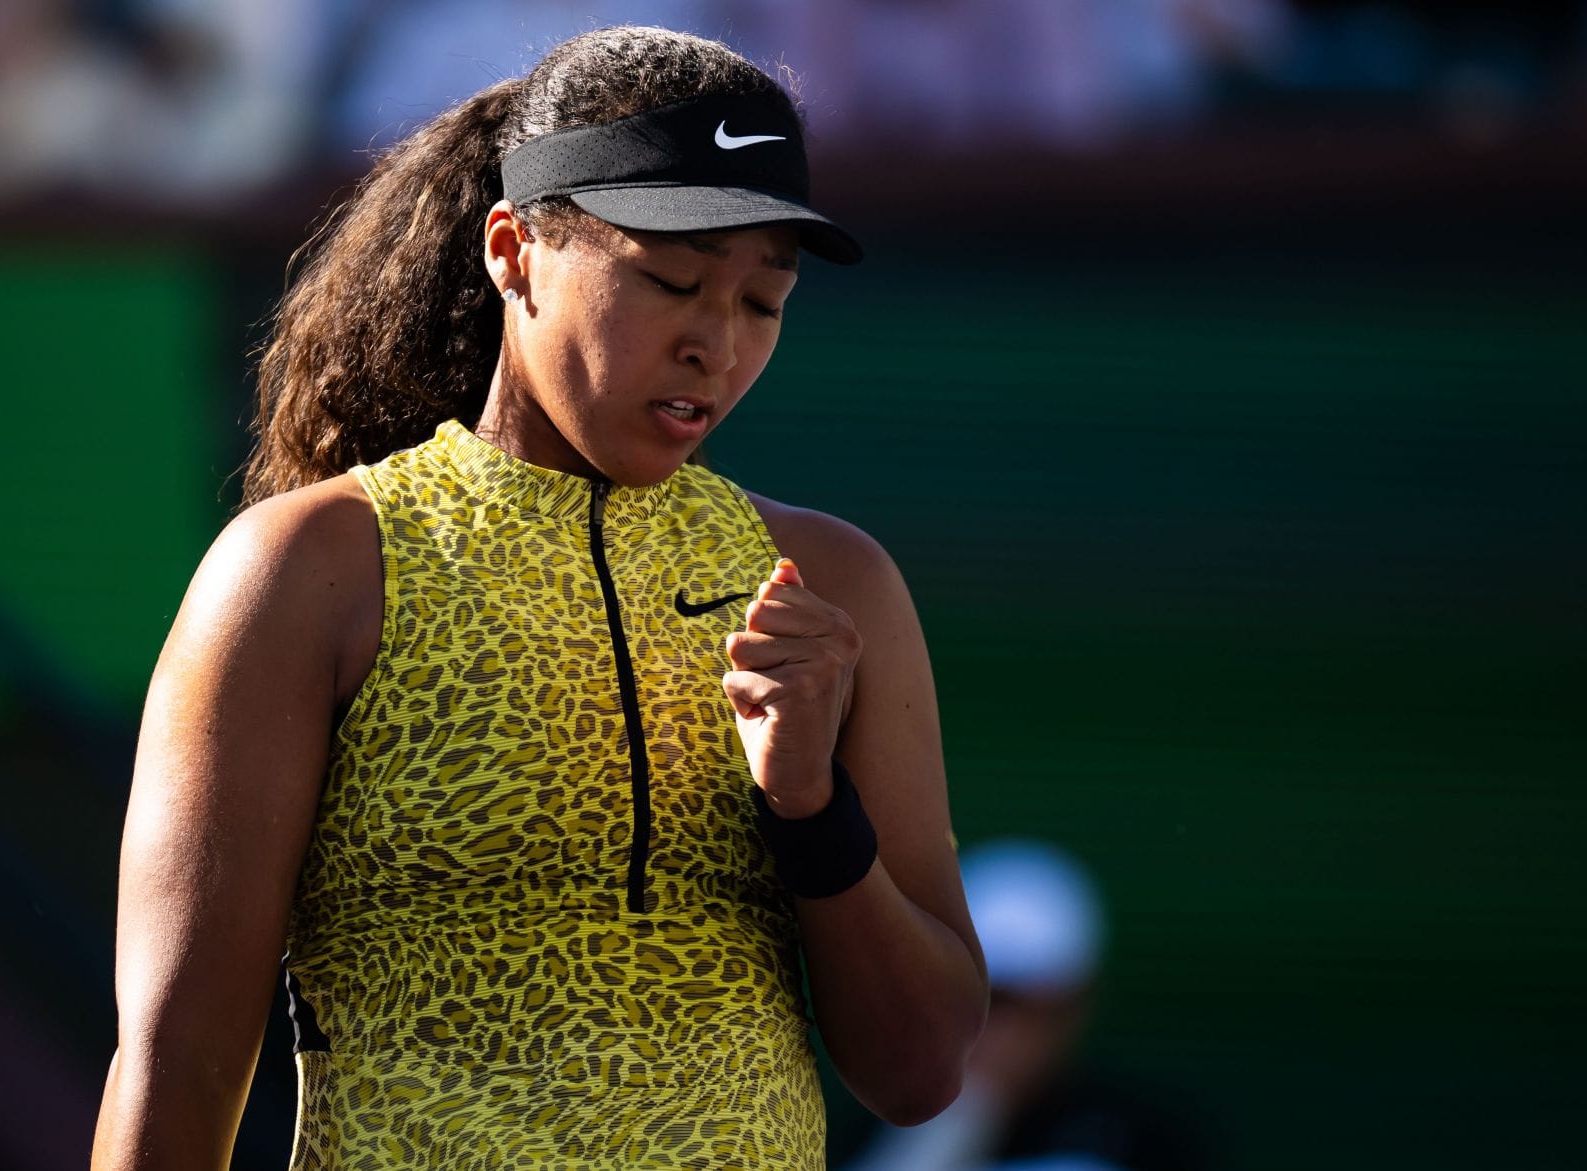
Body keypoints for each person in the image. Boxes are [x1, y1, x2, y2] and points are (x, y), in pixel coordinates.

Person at [91, 24, 988, 1170]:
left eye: (764, 301)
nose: (715, 342)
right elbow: (181, 1059)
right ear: (514, 249)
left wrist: (811, 809)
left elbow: (922, 1072)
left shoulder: (833, 585)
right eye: (671, 282)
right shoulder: (311, 569)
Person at [844, 839, 1212, 1171]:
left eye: (1017, 1006)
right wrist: (959, 1123)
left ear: (1074, 1008)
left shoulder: (1143, 1135)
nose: (992, 1027)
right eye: (980, 999)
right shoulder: (879, 1119)